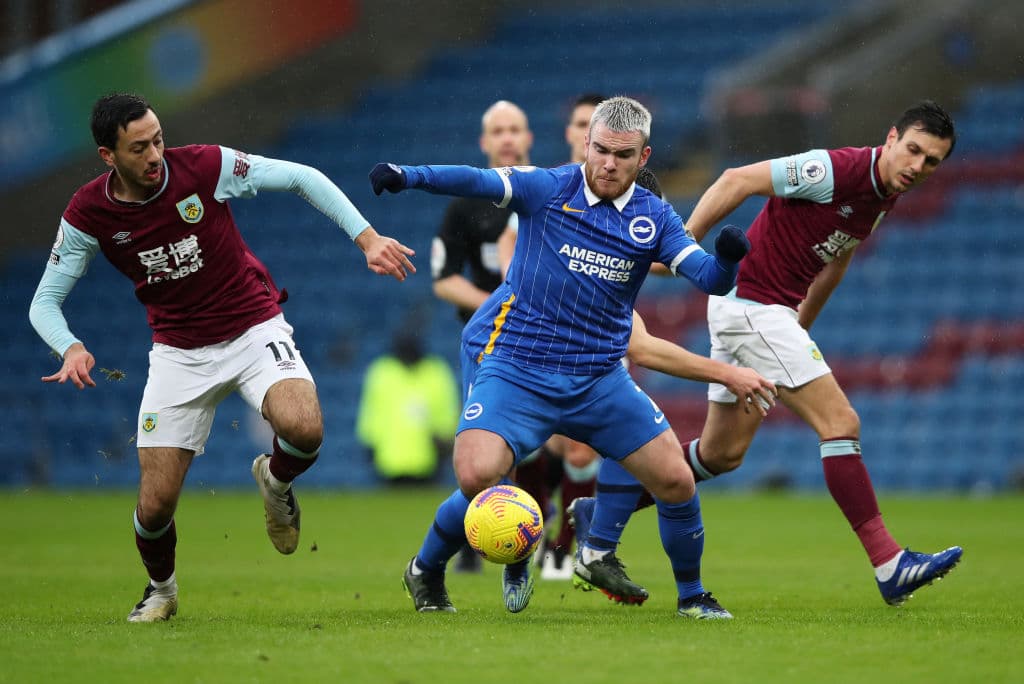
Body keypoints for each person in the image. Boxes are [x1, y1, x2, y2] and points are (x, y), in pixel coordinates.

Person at [28, 93, 415, 623]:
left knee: (304, 427)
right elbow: (44, 301)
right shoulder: (88, 213)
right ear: (107, 156)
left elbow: (302, 176)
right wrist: (69, 345)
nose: (155, 155)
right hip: (178, 353)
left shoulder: (205, 167)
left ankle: (275, 482)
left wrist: (367, 238)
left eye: (158, 139)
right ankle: (161, 590)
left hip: (252, 327)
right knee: (155, 504)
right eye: (139, 148)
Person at [568, 100, 963, 612]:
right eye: (912, 150)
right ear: (890, 139)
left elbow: (836, 261)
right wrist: (685, 246)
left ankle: (599, 513)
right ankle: (890, 564)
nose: (917, 166)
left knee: (721, 455)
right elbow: (737, 179)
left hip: (758, 314)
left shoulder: (883, 195)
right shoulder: (835, 169)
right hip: (755, 305)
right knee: (840, 424)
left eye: (931, 161)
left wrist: (801, 326)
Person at [370, 95, 752, 614]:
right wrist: (408, 175)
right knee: (478, 476)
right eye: (600, 150)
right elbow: (477, 181)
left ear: (644, 157)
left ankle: (692, 597)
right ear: (587, 145)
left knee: (676, 479)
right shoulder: (548, 187)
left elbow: (708, 278)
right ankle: (427, 569)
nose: (608, 163)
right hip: (519, 368)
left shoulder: (654, 218)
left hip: (598, 380)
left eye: (623, 154)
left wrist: (727, 261)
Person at [431, 99, 538, 572]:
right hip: (488, 347)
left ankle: (561, 537)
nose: (508, 138)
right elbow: (443, 279)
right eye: (499, 131)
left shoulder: (547, 191)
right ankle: (491, 540)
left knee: (561, 444)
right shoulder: (465, 206)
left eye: (515, 128)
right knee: (489, 450)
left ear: (529, 137)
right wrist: (498, 305)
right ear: (485, 142)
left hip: (544, 339)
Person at [356, 329, 459, 484]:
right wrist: (370, 443)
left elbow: (446, 414)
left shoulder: (436, 372)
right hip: (389, 462)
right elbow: (371, 414)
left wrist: (444, 442)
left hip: (428, 462)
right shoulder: (382, 371)